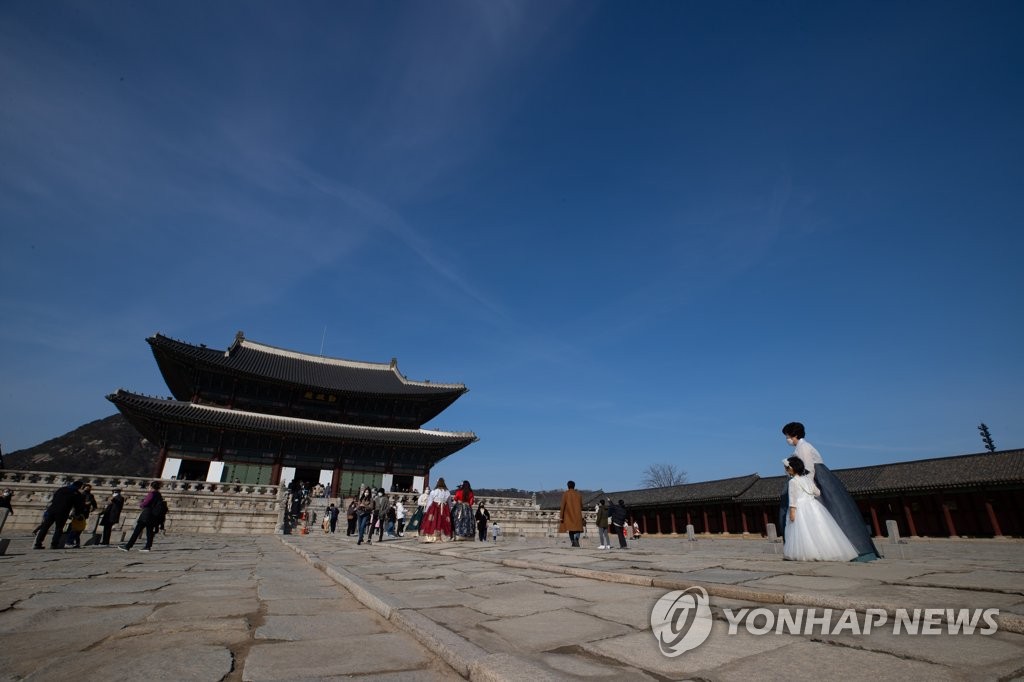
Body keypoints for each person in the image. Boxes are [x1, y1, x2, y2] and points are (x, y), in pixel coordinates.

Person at [780, 422, 880, 561]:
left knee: (826, 517)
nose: (787, 439)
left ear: (795, 435)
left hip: (814, 480)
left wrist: (807, 487)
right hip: (813, 480)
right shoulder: (801, 447)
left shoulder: (804, 448)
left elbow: (809, 468)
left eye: (788, 436)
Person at [782, 456, 858, 561]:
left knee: (804, 531)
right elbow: (818, 492)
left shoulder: (793, 482)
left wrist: (792, 512)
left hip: (801, 508)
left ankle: (809, 553)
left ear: (791, 468)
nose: (786, 469)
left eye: (787, 467)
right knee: (820, 529)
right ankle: (829, 551)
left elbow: (793, 499)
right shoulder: (807, 480)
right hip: (814, 506)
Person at [35, 480, 87, 549]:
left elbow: (54, 498)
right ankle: (54, 544)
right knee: (59, 528)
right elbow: (78, 506)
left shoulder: (61, 489)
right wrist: (77, 514)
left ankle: (38, 543)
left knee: (45, 527)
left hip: (52, 510)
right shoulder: (76, 493)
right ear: (79, 486)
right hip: (63, 512)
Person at [118, 481, 165, 552]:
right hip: (153, 516)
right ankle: (148, 547)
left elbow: (145, 503)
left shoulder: (151, 494)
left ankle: (128, 546)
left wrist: (141, 504)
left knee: (136, 531)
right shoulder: (159, 495)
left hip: (146, 515)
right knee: (149, 532)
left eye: (149, 486)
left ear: (151, 487)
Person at [419, 478, 452, 543]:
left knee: (434, 521)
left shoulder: (434, 491)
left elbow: (430, 502)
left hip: (435, 508)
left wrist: (426, 510)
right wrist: (449, 510)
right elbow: (449, 503)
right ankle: (443, 536)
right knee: (443, 522)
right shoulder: (447, 492)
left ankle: (431, 536)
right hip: (444, 508)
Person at [558, 480, 584, 547]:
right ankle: (576, 539)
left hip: (568, 515)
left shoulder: (566, 494)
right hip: (577, 514)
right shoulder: (578, 494)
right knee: (578, 529)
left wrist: (561, 516)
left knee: (570, 529)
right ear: (574, 486)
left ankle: (572, 541)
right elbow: (581, 506)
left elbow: (563, 505)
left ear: (568, 486)